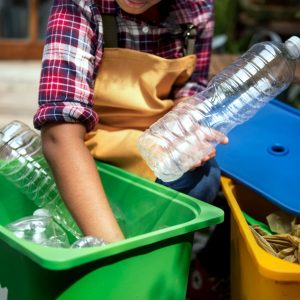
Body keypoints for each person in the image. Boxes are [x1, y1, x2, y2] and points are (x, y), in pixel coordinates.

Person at [33, 0, 228, 244]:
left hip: (153, 144)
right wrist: (113, 251)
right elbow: (59, 137)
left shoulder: (196, 9)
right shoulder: (80, 5)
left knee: (204, 178)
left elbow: (190, 89)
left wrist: (186, 126)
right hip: (90, 149)